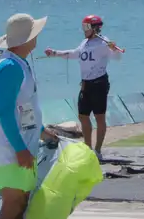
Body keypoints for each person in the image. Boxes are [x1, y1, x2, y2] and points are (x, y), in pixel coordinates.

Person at [0, 12, 47, 219]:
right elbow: (3, 112)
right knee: (12, 204)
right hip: (10, 149)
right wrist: (20, 148)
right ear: (27, 39)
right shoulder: (9, 67)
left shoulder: (19, 63)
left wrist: (42, 132)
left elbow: (24, 108)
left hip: (23, 144)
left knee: (20, 202)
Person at [43, 14, 124, 156]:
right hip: (86, 84)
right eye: (83, 27)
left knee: (100, 117)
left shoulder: (104, 43)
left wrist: (114, 49)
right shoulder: (84, 43)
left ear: (94, 28)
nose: (83, 30)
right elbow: (74, 54)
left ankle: (97, 150)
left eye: (86, 27)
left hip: (99, 83)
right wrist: (55, 53)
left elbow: (117, 58)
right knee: (83, 116)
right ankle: (88, 147)